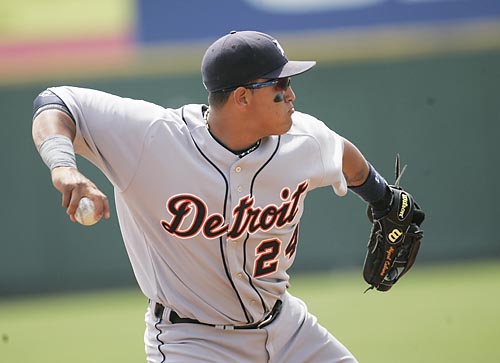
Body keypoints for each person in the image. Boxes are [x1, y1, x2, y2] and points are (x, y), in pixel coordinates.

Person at [32, 30, 395, 363]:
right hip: (192, 342)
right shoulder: (153, 138)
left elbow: (346, 157)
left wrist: (383, 200)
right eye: (280, 84)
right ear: (242, 97)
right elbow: (56, 103)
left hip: (289, 331)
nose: (292, 95)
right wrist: (63, 166)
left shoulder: (304, 138)